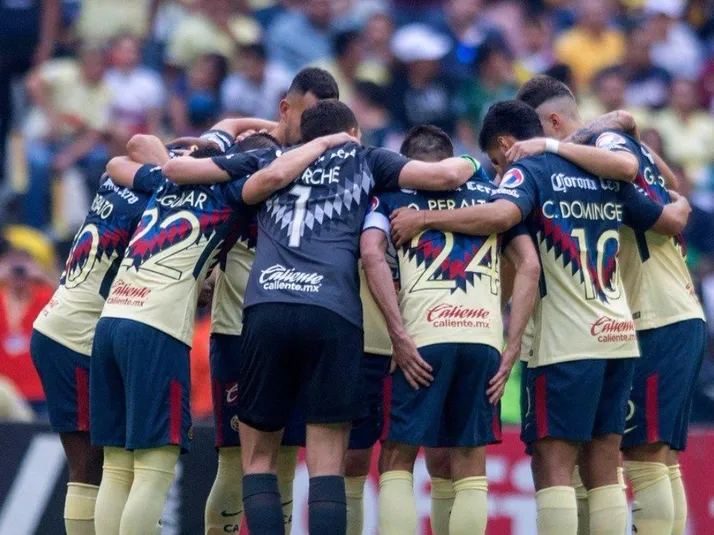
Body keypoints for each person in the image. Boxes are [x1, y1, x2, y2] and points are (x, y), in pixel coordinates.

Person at [389, 100, 690, 535]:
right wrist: (680, 203)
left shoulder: (527, 171)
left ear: (506, 144)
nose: (498, 173)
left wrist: (425, 218)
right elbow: (661, 213)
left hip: (566, 340)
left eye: (497, 161)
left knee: (554, 464)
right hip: (618, 333)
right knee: (604, 462)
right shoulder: (598, 169)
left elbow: (501, 215)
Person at [90, 130, 355, 535]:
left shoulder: (166, 183)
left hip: (115, 317)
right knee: (168, 468)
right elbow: (270, 175)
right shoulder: (240, 193)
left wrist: (175, 162)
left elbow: (119, 160)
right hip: (195, 330)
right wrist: (319, 144)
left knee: (118, 467)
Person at [517, 74, 705, 535]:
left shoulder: (600, 149)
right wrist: (628, 131)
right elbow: (667, 182)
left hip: (655, 313)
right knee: (655, 458)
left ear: (553, 122)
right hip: (666, 312)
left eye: (535, 132)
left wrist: (554, 146)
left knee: (644, 457)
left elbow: (636, 176)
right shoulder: (605, 146)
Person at [361, 124, 539, 535]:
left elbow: (371, 254)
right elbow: (528, 265)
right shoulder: (492, 197)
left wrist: (397, 334)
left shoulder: (392, 196)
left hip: (422, 340)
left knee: (397, 459)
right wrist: (509, 343)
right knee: (469, 465)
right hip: (482, 341)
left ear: (407, 165)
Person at [199, 67, 340, 535]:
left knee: (284, 459)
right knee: (235, 461)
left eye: (325, 119)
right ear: (285, 108)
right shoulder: (247, 159)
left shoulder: (323, 169)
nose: (317, 128)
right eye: (308, 115)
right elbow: (217, 137)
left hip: (289, 332)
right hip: (236, 333)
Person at [30, 136, 166, 535]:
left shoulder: (115, 185)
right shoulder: (155, 207)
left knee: (103, 464)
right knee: (90, 466)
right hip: (75, 337)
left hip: (64, 324)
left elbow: (133, 147)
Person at [23, 44, 112, 230]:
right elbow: (32, 82)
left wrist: (68, 157)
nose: (96, 69)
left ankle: (93, 223)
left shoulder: (105, 91)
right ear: (83, 64)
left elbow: (94, 134)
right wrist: (51, 116)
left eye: (100, 65)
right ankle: (35, 226)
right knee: (38, 162)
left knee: (100, 158)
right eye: (92, 64)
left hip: (75, 143)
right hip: (45, 136)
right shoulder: (65, 71)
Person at [553, 0, 625, 89]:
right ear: (582, 16)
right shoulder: (567, 43)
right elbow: (565, 79)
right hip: (580, 92)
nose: (599, 19)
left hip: (613, 91)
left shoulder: (616, 39)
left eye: (602, 14)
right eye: (594, 15)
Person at [221, 43, 292, 121]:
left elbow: (289, 108)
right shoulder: (233, 84)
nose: (248, 66)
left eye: (252, 61)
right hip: (249, 124)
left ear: (262, 62)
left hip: (278, 122)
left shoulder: (281, 78)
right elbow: (231, 116)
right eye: (245, 62)